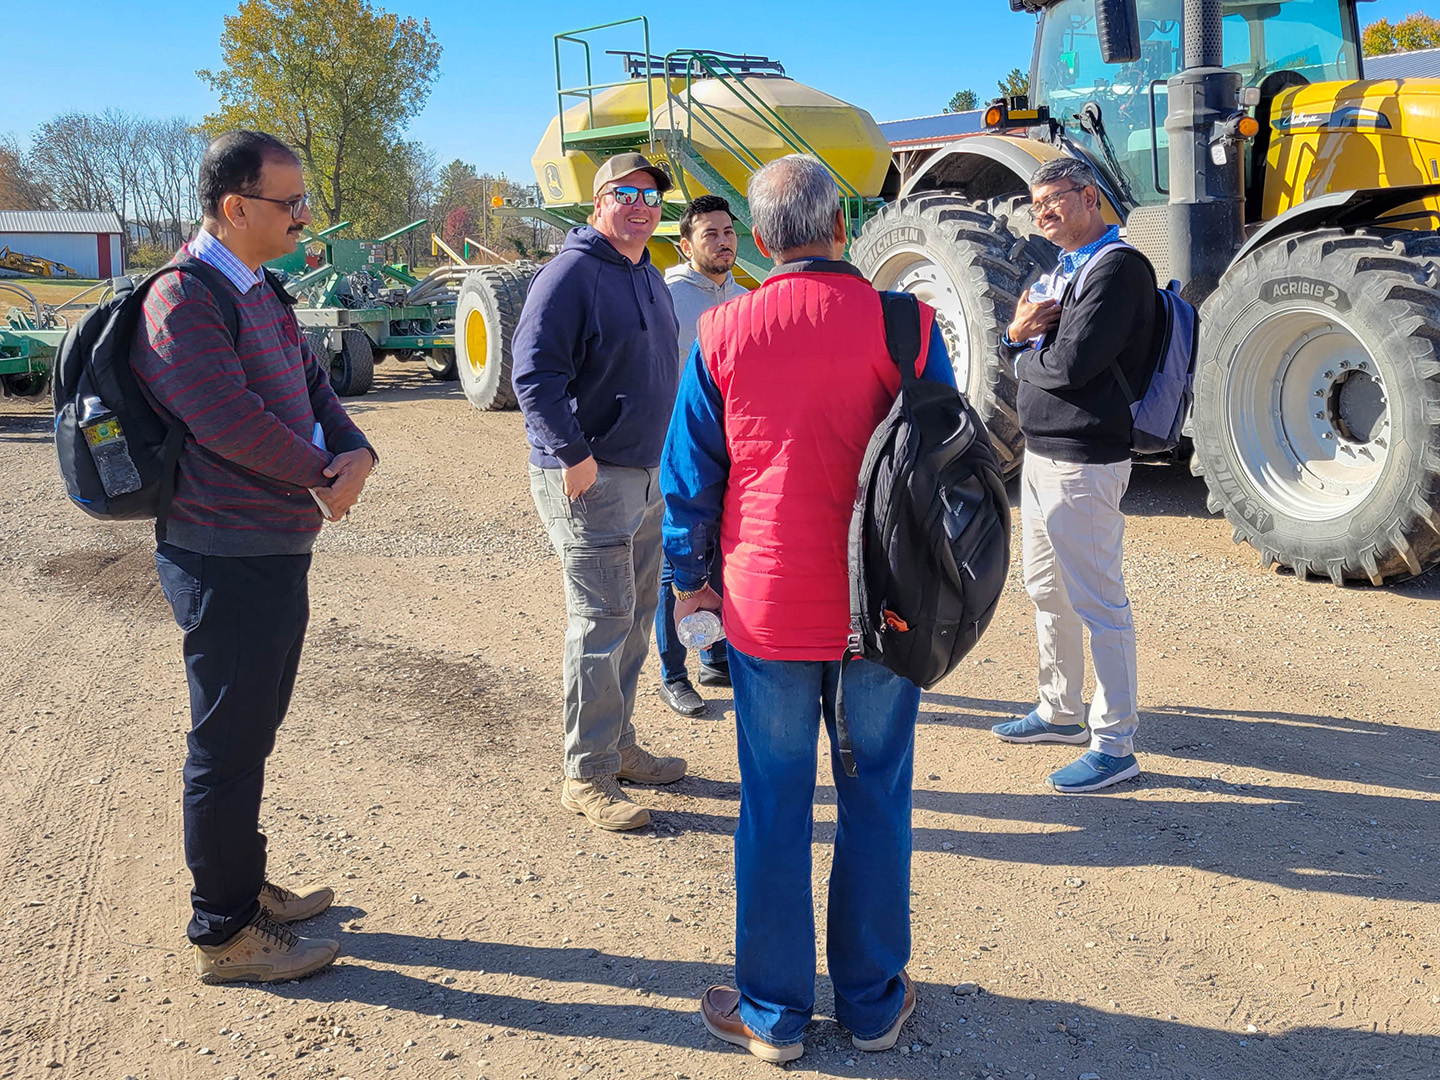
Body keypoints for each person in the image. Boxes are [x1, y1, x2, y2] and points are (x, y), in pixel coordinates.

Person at [662, 154, 957, 1063]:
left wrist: (689, 580)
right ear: (843, 225)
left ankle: (775, 1015)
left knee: (775, 805)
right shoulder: (908, 323)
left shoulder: (723, 330)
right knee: (876, 798)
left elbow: (689, 480)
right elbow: (947, 456)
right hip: (883, 610)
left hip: (767, 611)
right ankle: (871, 1003)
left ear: (759, 241)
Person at [131, 130, 377, 982]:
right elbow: (227, 420)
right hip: (221, 554)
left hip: (273, 545)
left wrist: (358, 452)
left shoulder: (260, 285)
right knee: (226, 743)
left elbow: (313, 385)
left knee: (252, 730)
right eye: (289, 202)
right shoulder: (181, 299)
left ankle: (243, 885)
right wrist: (321, 474)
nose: (304, 214)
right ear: (235, 209)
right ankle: (224, 933)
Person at [512, 152, 689, 833]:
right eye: (625, 193)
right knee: (601, 621)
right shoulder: (572, 273)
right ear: (597, 204)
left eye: (650, 195)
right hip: (591, 477)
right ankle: (584, 773)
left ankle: (616, 745)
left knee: (637, 615)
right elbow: (532, 374)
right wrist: (572, 454)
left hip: (645, 476)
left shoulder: (647, 273)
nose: (641, 204)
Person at [991, 156, 1157, 794]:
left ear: (1090, 196)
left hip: (1084, 460)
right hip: (1043, 453)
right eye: (1036, 205)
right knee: (1044, 587)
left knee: (1098, 602)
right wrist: (1023, 339)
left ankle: (1115, 744)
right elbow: (1043, 355)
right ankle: (1060, 709)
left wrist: (1020, 344)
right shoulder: (1064, 270)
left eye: (1054, 199)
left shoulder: (1117, 270)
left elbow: (1072, 365)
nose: (1043, 213)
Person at [656, 194, 748, 717]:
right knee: (678, 561)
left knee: (721, 555)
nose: (722, 240)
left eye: (728, 231)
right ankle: (673, 673)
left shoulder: (744, 298)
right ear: (685, 244)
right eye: (709, 233)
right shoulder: (668, 299)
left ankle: (715, 656)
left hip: (730, 451)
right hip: (679, 450)